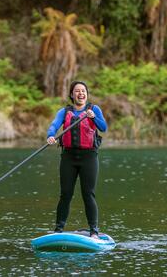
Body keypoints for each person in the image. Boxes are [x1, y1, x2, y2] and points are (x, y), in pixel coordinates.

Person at [47, 80, 107, 238]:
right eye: (77, 91)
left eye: (83, 91)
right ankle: (58, 230)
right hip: (68, 158)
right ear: (72, 95)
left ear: (87, 94)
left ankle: (94, 231)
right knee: (65, 194)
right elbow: (54, 125)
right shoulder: (64, 111)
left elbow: (103, 128)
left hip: (89, 158)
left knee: (88, 194)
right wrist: (51, 136)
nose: (81, 93)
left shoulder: (94, 109)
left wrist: (93, 117)